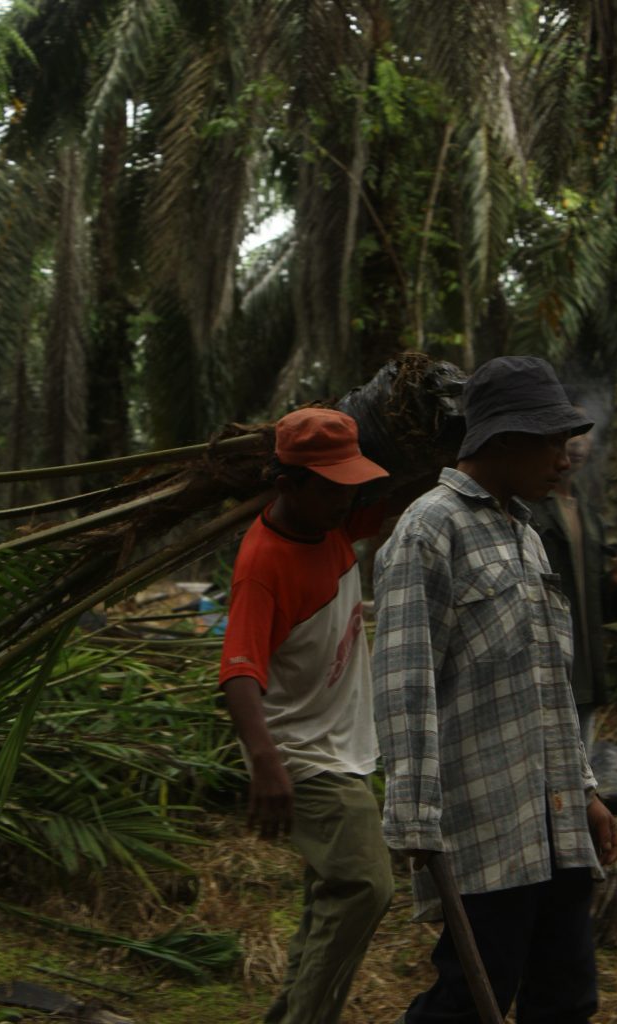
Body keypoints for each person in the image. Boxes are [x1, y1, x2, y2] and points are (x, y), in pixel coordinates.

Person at [372, 356, 617, 1024]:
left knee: (567, 998)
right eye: (550, 442)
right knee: (470, 997)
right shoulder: (428, 530)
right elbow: (404, 683)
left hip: (554, 810)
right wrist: (414, 814)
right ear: (501, 440)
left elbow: (549, 684)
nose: (565, 460)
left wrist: (587, 792)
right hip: (482, 816)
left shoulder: (526, 535)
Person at [218, 407, 396, 1024]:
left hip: (343, 746)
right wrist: (267, 764)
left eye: (353, 484)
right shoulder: (263, 563)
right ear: (287, 482)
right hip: (304, 755)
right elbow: (239, 669)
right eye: (333, 486)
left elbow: (400, 497)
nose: (348, 499)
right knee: (365, 886)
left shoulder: (334, 524)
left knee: (330, 898)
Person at [529, 404, 617, 754]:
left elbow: (594, 604)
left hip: (584, 665)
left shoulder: (589, 515)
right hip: (542, 666)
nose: (578, 444)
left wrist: (614, 581)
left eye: (585, 435)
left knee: (579, 767)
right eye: (569, 435)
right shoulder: (528, 509)